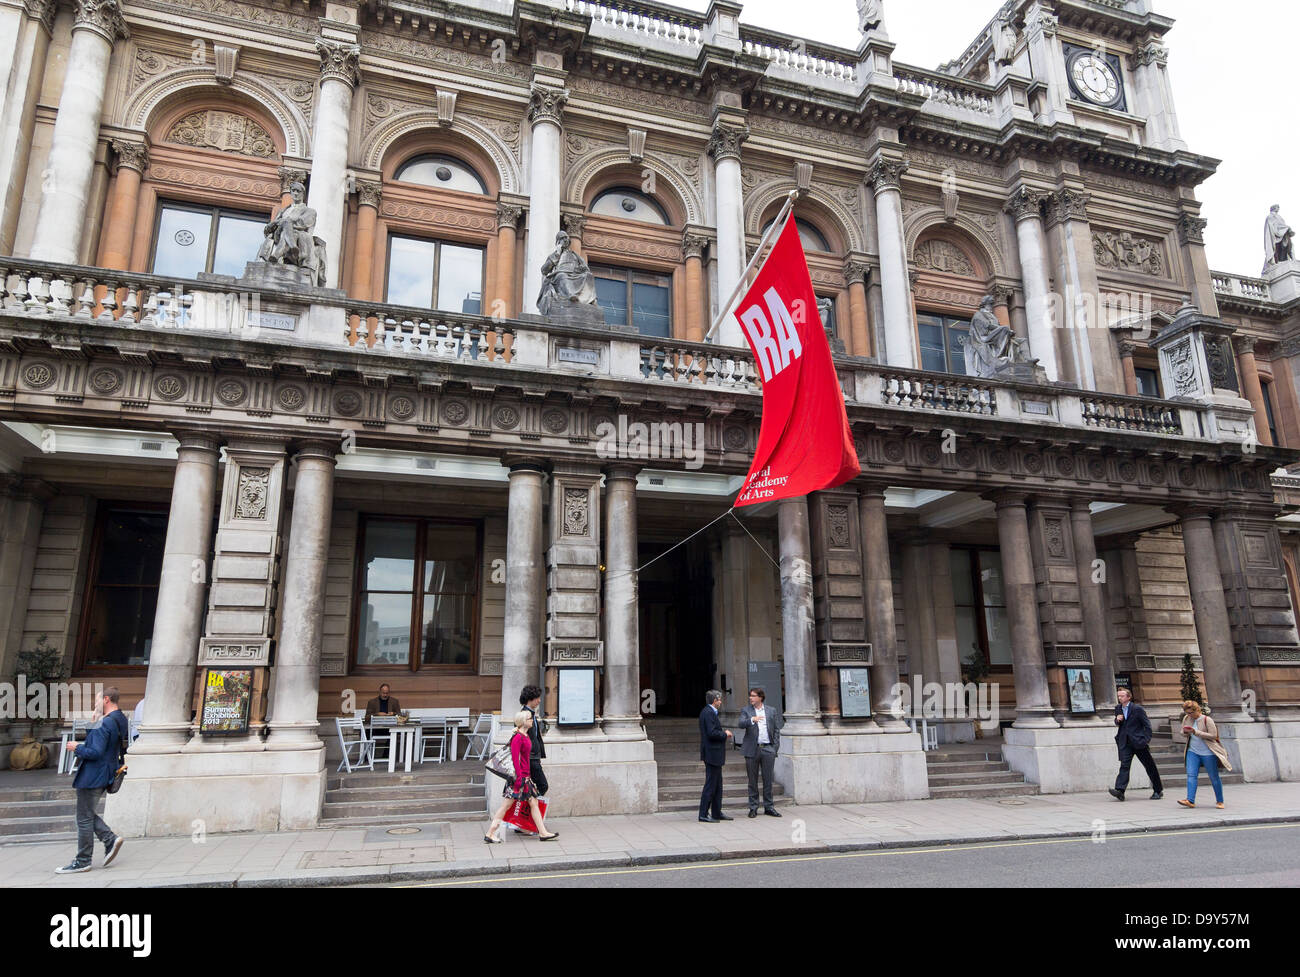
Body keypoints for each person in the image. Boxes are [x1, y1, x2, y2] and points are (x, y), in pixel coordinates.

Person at [55, 687, 128, 874]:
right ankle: (109, 839)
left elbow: (95, 752)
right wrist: (93, 722)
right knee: (86, 814)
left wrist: (76, 747)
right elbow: (100, 742)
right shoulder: (120, 719)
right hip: (106, 772)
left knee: (84, 818)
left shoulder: (107, 723)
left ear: (106, 699)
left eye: (96, 701)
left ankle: (84, 859)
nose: (94, 705)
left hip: (93, 775)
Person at [484, 710, 558, 842]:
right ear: (524, 721)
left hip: (525, 778)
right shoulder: (518, 737)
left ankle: (543, 832)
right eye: (530, 719)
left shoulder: (525, 735)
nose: (532, 721)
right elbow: (515, 759)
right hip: (519, 779)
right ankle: (490, 833)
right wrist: (519, 779)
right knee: (505, 806)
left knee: (534, 803)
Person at [1109, 686, 1163, 801]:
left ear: (1128, 697)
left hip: (1139, 742)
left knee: (1149, 766)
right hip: (1125, 742)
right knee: (1124, 766)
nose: (1120, 698)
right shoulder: (1118, 708)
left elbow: (1147, 725)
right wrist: (1117, 720)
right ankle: (1120, 790)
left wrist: (1145, 740)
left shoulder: (1137, 709)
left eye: (1122, 696)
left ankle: (1158, 790)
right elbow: (1120, 724)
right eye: (1118, 696)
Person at [738, 687, 783, 818]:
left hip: (768, 748)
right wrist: (752, 719)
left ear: (760, 697)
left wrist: (774, 748)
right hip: (752, 749)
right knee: (752, 780)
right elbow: (740, 723)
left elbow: (776, 729)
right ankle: (753, 807)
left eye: (753, 696)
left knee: (768, 780)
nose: (750, 698)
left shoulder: (771, 710)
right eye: (750, 696)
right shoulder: (746, 710)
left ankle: (769, 807)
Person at [1178, 700, 1229, 809]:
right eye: (1187, 713)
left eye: (1191, 713)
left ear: (1197, 710)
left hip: (1208, 752)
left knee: (1214, 777)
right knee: (1191, 775)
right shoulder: (1186, 719)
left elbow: (1213, 735)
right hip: (1192, 751)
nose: (1189, 715)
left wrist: (1196, 732)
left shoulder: (1207, 720)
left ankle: (1220, 801)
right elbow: (1182, 733)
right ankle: (1190, 800)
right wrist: (1185, 732)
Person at [537, 231, 598, 315]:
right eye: (562, 238)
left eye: (566, 238)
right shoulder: (554, 255)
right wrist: (557, 255)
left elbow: (585, 268)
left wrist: (582, 269)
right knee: (562, 275)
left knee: (589, 276)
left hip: (575, 274)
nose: (565, 240)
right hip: (559, 275)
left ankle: (590, 299)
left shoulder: (575, 255)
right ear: (558, 242)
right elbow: (544, 270)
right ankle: (571, 295)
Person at [697, 689, 733, 823]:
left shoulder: (710, 712)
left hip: (715, 754)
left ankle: (717, 812)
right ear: (714, 700)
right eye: (719, 700)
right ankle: (703, 814)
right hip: (712, 754)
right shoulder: (708, 713)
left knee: (718, 785)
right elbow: (712, 733)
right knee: (711, 785)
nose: (721, 702)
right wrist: (725, 734)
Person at [520, 685, 547, 797]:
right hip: (530, 758)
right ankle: (532, 805)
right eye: (537, 698)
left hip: (533, 756)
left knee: (535, 786)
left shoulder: (531, 714)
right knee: (543, 785)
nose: (539, 700)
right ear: (530, 698)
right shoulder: (524, 715)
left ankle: (532, 806)